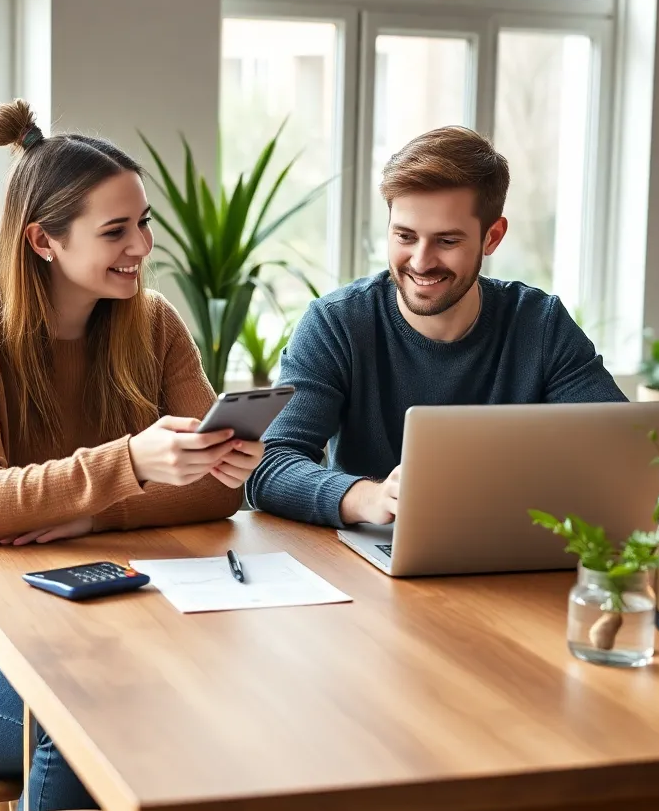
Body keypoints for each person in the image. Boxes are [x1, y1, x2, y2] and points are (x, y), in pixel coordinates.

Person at [0, 100, 263, 811]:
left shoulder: (155, 324)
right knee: (89, 719)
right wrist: (131, 466)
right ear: (43, 241)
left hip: (80, 612)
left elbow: (217, 488)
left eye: (144, 222)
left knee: (214, 689)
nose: (142, 246)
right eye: (116, 231)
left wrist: (83, 519)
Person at [246, 125, 625, 529]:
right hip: (371, 560)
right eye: (405, 236)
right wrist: (367, 497)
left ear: (492, 237)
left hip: (512, 560)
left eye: (446, 241)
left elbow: (631, 460)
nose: (421, 262)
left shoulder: (540, 325)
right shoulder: (337, 323)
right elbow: (269, 467)